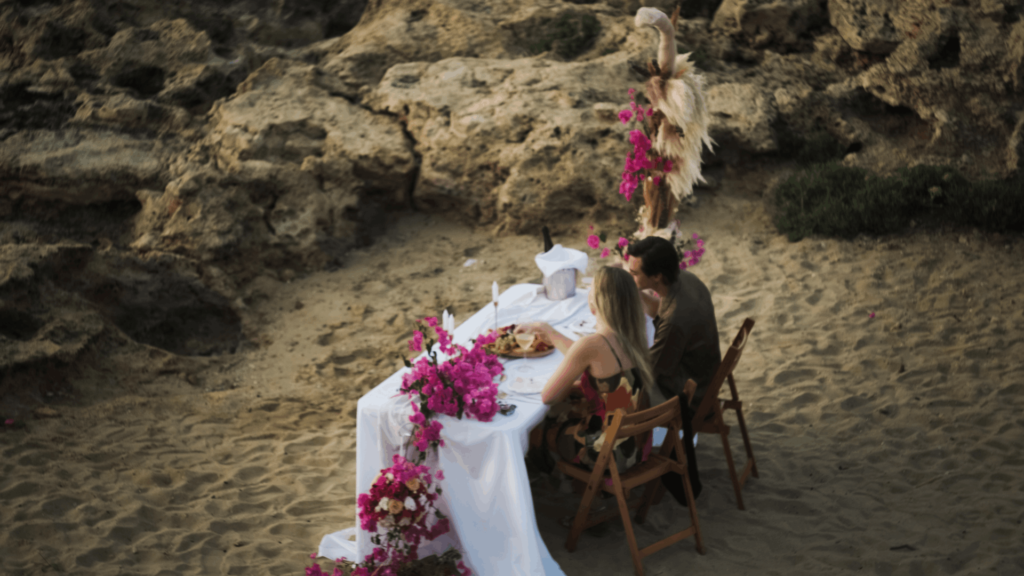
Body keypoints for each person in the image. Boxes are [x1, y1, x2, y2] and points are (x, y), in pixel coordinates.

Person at [515, 266, 666, 472]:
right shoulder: (636, 335)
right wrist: (550, 333)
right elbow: (598, 365)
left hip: (608, 453)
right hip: (636, 446)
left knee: (541, 424)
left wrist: (568, 386)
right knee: (571, 405)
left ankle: (544, 478)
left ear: (594, 302)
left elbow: (548, 397)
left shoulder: (591, 345)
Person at [626, 235, 722, 502]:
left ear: (657, 276)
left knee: (622, 381)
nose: (631, 276)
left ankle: (629, 455)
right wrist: (636, 292)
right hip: (704, 375)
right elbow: (661, 311)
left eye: (634, 273)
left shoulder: (677, 320)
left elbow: (650, 371)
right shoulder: (686, 280)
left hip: (691, 395)